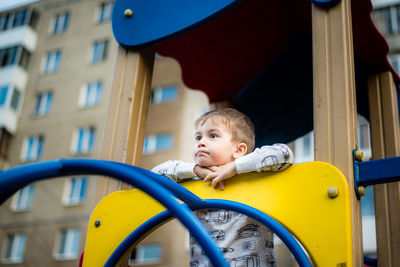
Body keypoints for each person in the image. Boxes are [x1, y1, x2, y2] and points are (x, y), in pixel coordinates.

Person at [152, 108, 294, 267]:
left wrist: (234, 167)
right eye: (198, 137)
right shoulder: (193, 180)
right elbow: (155, 174)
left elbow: (284, 153)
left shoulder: (252, 175)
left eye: (213, 136)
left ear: (239, 150)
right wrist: (194, 170)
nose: (201, 142)